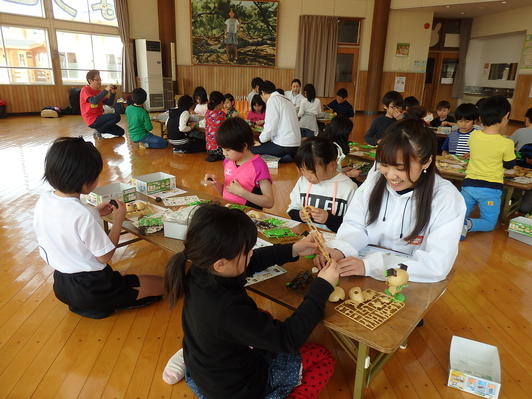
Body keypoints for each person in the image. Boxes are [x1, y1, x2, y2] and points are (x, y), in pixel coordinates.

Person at [163, 204, 337, 398]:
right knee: (323, 358)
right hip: (238, 391)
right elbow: (288, 339)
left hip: (202, 372)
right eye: (247, 251)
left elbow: (249, 264)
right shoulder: (228, 309)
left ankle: (188, 356)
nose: (252, 253)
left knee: (260, 318)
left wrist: (294, 249)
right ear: (220, 263)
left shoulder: (198, 268)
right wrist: (322, 286)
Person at [315, 119, 466, 283]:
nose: (391, 176)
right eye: (385, 165)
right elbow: (355, 224)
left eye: (401, 168)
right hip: (360, 267)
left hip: (411, 278)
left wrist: (372, 267)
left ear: (427, 162)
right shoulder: (375, 180)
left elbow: (435, 266)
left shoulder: (446, 197)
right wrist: (341, 249)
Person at [33, 137, 163, 319]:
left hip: (62, 284)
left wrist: (93, 212)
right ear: (85, 181)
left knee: (139, 284)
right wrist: (118, 219)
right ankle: (102, 304)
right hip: (94, 288)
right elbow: (105, 256)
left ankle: (87, 305)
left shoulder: (44, 200)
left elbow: (67, 224)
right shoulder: (83, 214)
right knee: (164, 284)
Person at [461, 96, 516, 238]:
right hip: (491, 189)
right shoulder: (507, 143)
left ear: (480, 116)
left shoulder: (473, 136)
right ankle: (467, 225)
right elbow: (510, 165)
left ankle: (458, 228)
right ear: (506, 116)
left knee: (459, 214)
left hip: (468, 186)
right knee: (489, 222)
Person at [287, 137, 357, 232]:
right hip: (306, 238)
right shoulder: (303, 181)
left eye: (311, 171)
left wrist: (329, 219)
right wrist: (300, 215)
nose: (307, 176)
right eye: (303, 170)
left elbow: (353, 226)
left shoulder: (349, 188)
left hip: (336, 241)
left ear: (332, 166)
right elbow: (292, 210)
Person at [203, 118, 274, 210]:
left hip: (248, 216)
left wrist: (242, 193)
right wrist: (216, 184)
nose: (224, 153)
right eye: (222, 149)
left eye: (228, 150)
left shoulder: (258, 166)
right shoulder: (228, 161)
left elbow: (269, 202)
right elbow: (228, 194)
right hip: (229, 211)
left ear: (244, 146)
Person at [251, 80, 301, 161]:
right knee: (264, 145)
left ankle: (282, 158)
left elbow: (270, 127)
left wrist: (260, 141)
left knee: (251, 150)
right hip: (295, 146)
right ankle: (285, 157)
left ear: (262, 93)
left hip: (284, 146)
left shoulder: (272, 100)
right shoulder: (286, 100)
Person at [80, 70, 124, 137]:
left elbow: (109, 103)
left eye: (100, 80)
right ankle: (99, 129)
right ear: (90, 81)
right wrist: (106, 90)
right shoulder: (85, 90)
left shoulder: (98, 91)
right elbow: (94, 101)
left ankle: (99, 129)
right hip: (92, 120)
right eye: (97, 80)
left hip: (100, 118)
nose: (100, 82)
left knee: (121, 132)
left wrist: (113, 93)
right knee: (116, 116)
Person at [321, 116, 361, 181]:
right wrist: (348, 174)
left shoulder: (327, 142)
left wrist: (342, 170)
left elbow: (332, 170)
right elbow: (326, 175)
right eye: (349, 132)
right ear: (343, 132)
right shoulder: (333, 149)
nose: (350, 134)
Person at [204, 91, 226, 162]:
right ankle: (219, 155)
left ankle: (214, 156)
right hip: (219, 149)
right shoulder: (221, 114)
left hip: (208, 149)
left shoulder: (207, 112)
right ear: (221, 103)